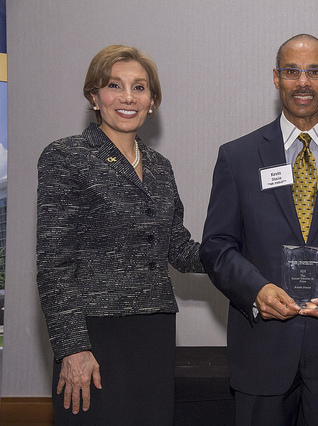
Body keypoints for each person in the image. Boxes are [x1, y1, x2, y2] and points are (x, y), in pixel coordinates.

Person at [200, 34, 318, 426]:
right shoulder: (237, 157)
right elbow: (217, 246)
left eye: (314, 71)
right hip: (261, 354)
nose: (302, 82)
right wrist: (255, 290)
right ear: (276, 78)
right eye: (292, 71)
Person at [36, 45, 204, 425]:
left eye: (140, 87)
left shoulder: (161, 167)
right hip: (94, 334)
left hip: (153, 331)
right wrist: (72, 348)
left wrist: (236, 249)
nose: (128, 97)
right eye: (115, 85)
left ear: (153, 101)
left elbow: (177, 248)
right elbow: (53, 264)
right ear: (94, 97)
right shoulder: (66, 156)